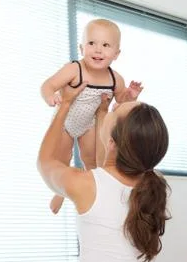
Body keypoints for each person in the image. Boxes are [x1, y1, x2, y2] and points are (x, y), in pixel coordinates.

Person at [8, 82, 171, 262]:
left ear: (114, 142)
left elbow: (46, 162)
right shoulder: (154, 188)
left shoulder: (87, 185)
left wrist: (64, 104)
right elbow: (105, 162)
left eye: (118, 112)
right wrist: (105, 110)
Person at [41, 18, 143, 214]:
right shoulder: (74, 69)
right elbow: (48, 85)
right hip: (65, 123)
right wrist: (50, 96)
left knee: (92, 161)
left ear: (116, 53)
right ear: (81, 48)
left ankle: (94, 195)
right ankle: (61, 192)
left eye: (105, 45)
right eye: (91, 43)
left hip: (89, 124)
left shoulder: (115, 78)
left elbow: (120, 101)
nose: (98, 50)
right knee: (62, 160)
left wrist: (129, 95)